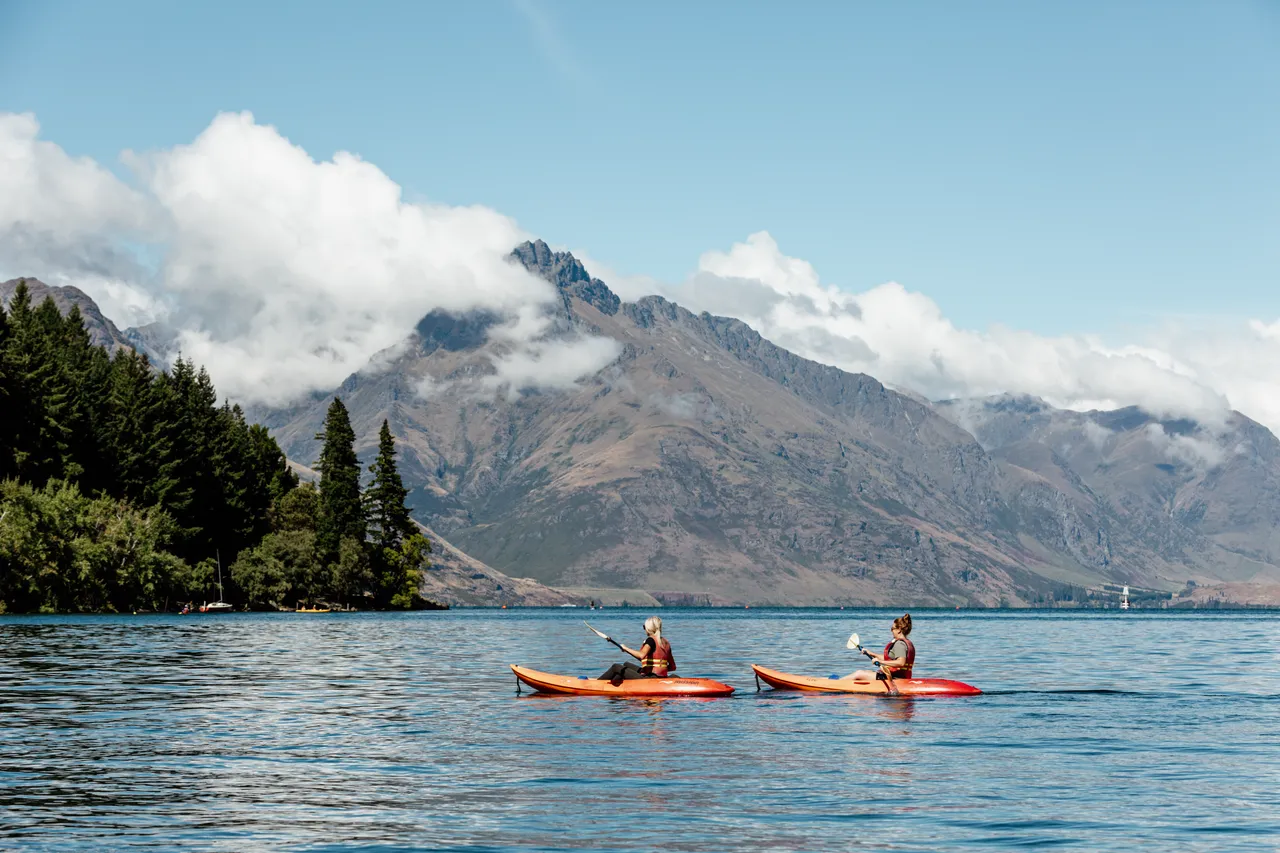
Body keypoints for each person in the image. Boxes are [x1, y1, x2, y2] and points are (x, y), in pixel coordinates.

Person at [849, 613, 915, 696]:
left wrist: (880, 661)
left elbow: (901, 662)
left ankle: (835, 683)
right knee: (868, 672)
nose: (891, 631)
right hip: (900, 677)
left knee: (859, 673)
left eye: (892, 628)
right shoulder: (907, 643)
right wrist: (871, 653)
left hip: (895, 679)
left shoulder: (899, 644)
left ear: (899, 630)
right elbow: (889, 659)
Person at [597, 616, 676, 684]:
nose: (644, 629)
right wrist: (660, 671)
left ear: (649, 628)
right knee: (626, 664)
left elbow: (641, 655)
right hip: (660, 677)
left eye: (644, 627)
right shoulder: (666, 643)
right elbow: (673, 667)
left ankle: (597, 684)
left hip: (649, 679)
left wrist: (626, 648)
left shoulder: (650, 640)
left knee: (616, 667)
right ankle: (615, 684)